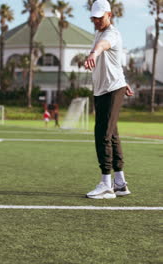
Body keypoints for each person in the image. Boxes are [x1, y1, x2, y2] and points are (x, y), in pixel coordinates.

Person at [84, 0, 134, 199]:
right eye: (93, 18)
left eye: (100, 17)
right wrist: (125, 80)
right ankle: (120, 183)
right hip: (105, 89)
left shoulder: (111, 34)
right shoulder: (99, 32)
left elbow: (102, 46)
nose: (96, 21)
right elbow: (114, 62)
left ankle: (106, 183)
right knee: (112, 135)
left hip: (111, 90)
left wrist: (93, 53)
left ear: (109, 15)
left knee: (102, 133)